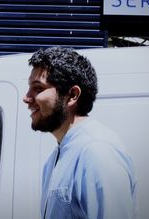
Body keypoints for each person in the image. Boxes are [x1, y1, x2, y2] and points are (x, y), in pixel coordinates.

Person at [23, 47, 138, 219]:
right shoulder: (57, 156)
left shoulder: (97, 151)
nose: (26, 97)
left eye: (38, 89)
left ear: (72, 95)